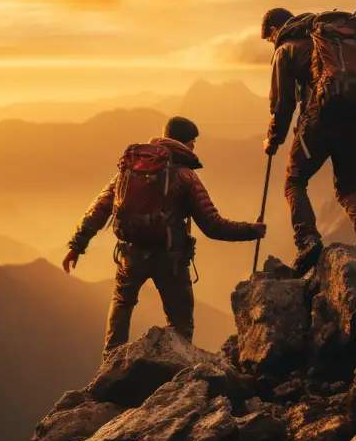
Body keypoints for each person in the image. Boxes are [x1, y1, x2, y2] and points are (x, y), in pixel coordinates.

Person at [63, 116, 266, 359]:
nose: (194, 147)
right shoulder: (186, 177)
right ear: (186, 142)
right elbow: (213, 225)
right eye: (193, 142)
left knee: (122, 304)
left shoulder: (130, 170)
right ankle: (178, 370)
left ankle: (110, 362)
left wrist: (77, 245)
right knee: (180, 320)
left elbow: (100, 207)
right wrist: (251, 230)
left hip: (130, 253)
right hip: (170, 258)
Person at [261, 6, 356, 276]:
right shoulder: (325, 42)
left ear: (272, 31)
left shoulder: (285, 49)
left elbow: (283, 104)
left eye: (268, 38)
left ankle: (308, 241)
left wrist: (273, 139)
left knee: (294, 181)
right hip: (353, 121)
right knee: (347, 187)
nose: (270, 43)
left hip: (319, 121)